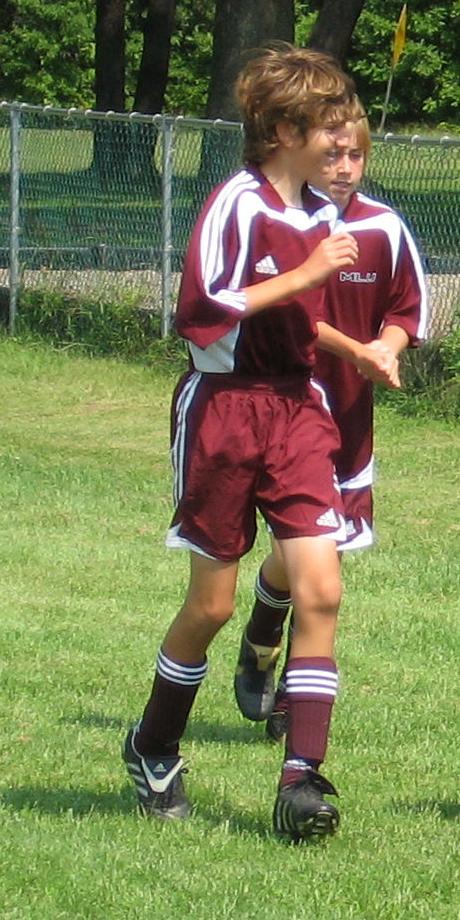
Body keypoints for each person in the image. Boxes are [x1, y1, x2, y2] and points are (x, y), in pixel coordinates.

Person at [122, 46, 364, 840]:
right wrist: (304, 274)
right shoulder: (236, 203)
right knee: (213, 604)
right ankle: (153, 744)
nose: (342, 139)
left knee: (320, 587)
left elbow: (299, 319)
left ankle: (302, 780)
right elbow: (203, 308)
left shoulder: (320, 213)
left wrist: (359, 350)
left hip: (297, 408)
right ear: (284, 130)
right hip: (224, 411)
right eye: (327, 124)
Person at [232, 115, 423, 741]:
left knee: (321, 555)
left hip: (348, 415)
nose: (343, 168)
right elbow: (281, 309)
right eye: (333, 154)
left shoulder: (382, 227)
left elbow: (405, 310)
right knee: (309, 557)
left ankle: (267, 630)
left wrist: (387, 347)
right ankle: (288, 681)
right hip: (285, 407)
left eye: (356, 156)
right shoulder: (286, 222)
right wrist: (355, 349)